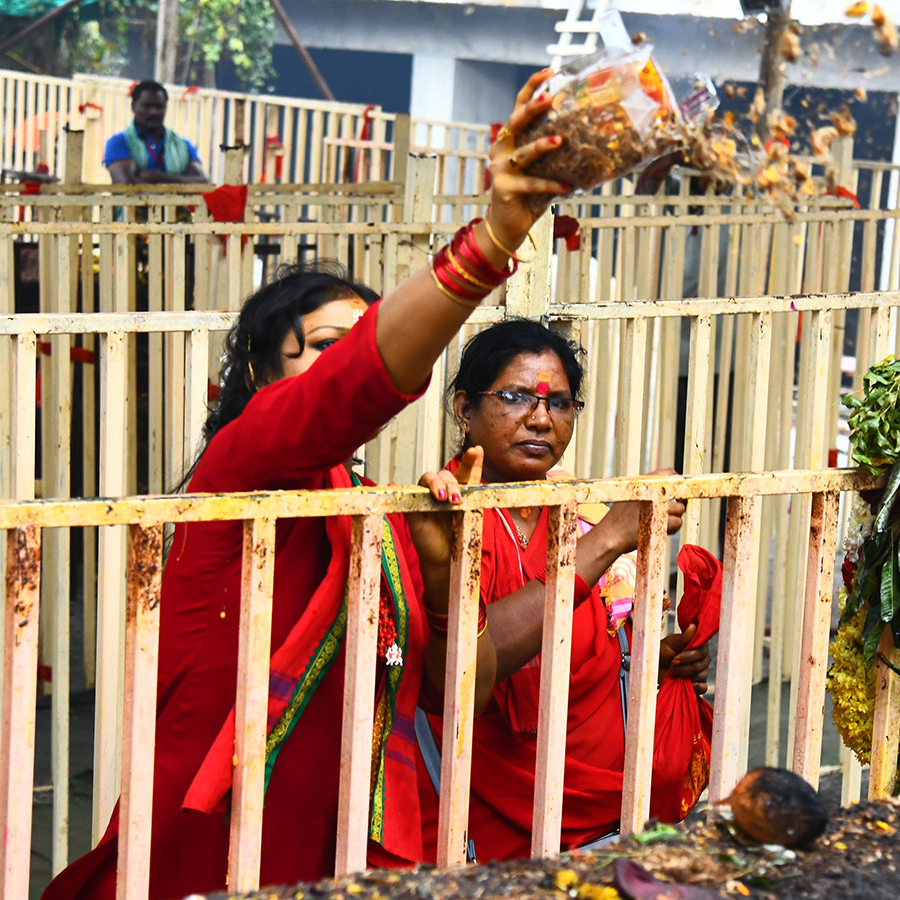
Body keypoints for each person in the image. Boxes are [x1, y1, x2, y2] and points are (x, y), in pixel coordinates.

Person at [44, 69, 571, 900]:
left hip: (339, 832)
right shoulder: (241, 467)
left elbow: (438, 684)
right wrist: (491, 242)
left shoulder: (369, 503)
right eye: (328, 342)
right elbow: (344, 393)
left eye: (362, 339)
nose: (354, 358)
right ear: (262, 369)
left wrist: (440, 568)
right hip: (215, 838)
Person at [407, 319, 717, 861]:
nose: (540, 418)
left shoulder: (586, 509)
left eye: (560, 404)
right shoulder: (435, 519)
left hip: (607, 809)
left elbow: (597, 649)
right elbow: (470, 666)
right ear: (464, 409)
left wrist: (657, 663)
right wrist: (608, 540)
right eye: (514, 397)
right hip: (483, 814)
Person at [103, 80, 209, 184]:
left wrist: (153, 176)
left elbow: (202, 182)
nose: (154, 112)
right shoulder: (118, 143)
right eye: (147, 106)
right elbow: (127, 184)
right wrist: (180, 181)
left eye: (159, 107)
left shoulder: (184, 145)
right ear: (133, 106)